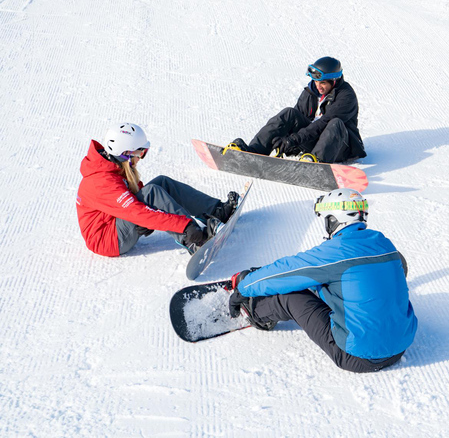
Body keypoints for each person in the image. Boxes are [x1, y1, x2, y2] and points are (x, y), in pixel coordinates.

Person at [227, 188, 417, 373]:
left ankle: (255, 312)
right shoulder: (385, 244)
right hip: (400, 348)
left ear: (334, 219)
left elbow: (285, 272)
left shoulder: (336, 252)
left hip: (357, 356)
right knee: (337, 281)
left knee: (290, 295)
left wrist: (245, 287)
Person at [77, 123, 239, 257]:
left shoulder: (112, 165)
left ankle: (215, 210)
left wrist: (146, 219)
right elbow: (138, 212)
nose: (140, 157)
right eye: (140, 152)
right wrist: (185, 225)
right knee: (152, 193)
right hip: (107, 239)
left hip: (116, 221)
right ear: (125, 152)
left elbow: (134, 198)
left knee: (162, 183)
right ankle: (193, 240)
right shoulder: (102, 181)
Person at [229, 57, 366, 163]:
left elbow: (324, 122)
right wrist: (285, 141)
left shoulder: (346, 96)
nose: (318, 86)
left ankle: (317, 162)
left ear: (334, 81)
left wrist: (293, 140)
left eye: (323, 82)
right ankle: (254, 152)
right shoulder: (311, 92)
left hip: (340, 146)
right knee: (289, 113)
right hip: (315, 141)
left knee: (335, 122)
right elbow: (295, 121)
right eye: (316, 81)